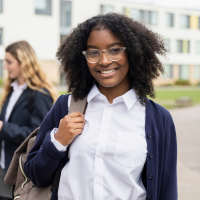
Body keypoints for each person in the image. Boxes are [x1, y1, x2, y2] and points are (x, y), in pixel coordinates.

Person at [24, 13, 177, 200]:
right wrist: (57, 141)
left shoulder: (158, 119)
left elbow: (167, 190)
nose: (104, 61)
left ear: (133, 52)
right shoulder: (66, 106)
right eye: (93, 52)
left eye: (115, 50)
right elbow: (35, 175)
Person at [0, 41, 57, 200]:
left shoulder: (39, 94)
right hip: (3, 167)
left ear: (23, 62)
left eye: (9, 62)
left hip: (19, 172)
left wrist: (3, 128)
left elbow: (38, 133)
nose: (5, 66)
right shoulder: (11, 90)